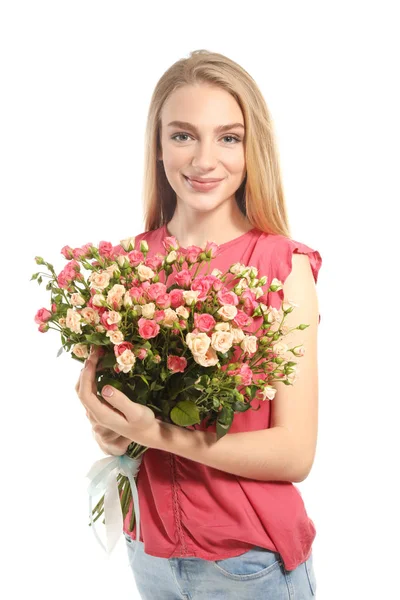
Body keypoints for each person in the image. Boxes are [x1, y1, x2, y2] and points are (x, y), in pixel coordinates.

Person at [77, 49, 321, 599]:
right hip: (151, 557)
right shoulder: (129, 266)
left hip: (249, 564)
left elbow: (295, 452)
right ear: (158, 146)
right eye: (183, 135)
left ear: (250, 148)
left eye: (228, 138)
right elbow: (122, 432)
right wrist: (109, 423)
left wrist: (157, 432)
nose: (205, 159)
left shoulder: (281, 266)